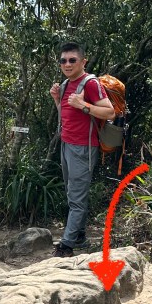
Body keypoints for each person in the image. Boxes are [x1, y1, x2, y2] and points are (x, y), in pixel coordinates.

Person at [49, 42, 115, 257]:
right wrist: (57, 100)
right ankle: (79, 236)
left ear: (83, 62)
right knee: (72, 193)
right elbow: (67, 113)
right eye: (63, 60)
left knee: (77, 197)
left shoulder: (91, 84)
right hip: (67, 144)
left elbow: (110, 112)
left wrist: (84, 105)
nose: (67, 64)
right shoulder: (66, 83)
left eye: (72, 60)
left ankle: (66, 246)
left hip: (83, 148)